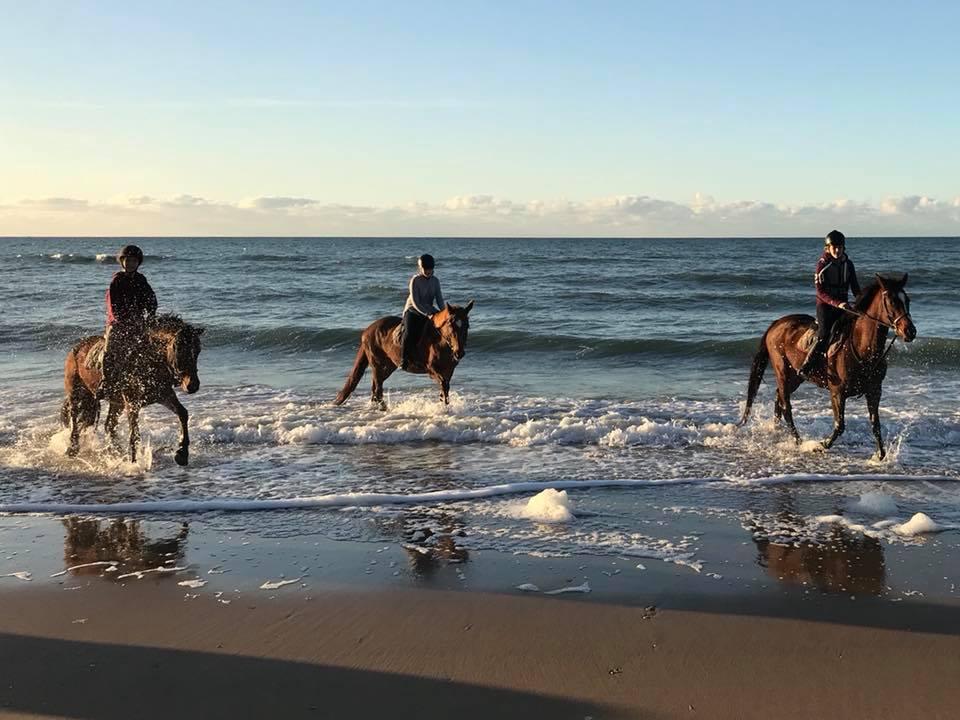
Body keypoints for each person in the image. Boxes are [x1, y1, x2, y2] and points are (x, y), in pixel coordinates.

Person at [798, 230, 861, 377]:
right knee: (824, 334)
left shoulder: (849, 264)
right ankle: (806, 366)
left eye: (840, 247)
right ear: (827, 248)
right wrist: (837, 303)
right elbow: (820, 292)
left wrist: (862, 302)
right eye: (834, 247)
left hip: (843, 305)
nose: (837, 251)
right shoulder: (822, 265)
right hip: (825, 306)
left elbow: (855, 287)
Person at [100, 244, 158, 397]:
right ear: (122, 262)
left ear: (138, 263)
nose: (130, 264)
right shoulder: (116, 281)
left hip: (138, 322)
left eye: (133, 261)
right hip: (118, 324)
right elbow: (113, 306)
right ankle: (105, 382)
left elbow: (151, 298)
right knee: (110, 347)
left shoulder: (141, 279)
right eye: (127, 260)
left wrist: (151, 314)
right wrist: (123, 321)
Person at [401, 254, 445, 370]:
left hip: (429, 310)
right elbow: (416, 302)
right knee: (409, 332)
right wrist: (427, 314)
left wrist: (445, 313)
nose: (428, 272)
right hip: (413, 310)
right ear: (420, 268)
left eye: (430, 269)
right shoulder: (415, 280)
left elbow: (439, 299)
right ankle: (404, 359)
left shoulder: (435, 281)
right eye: (425, 269)